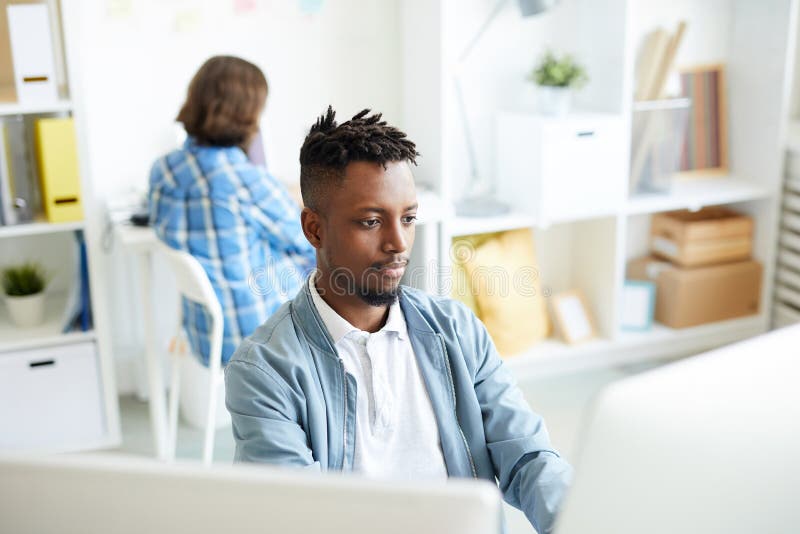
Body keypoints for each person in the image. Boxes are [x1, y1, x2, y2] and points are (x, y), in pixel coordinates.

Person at [224, 107, 572, 533]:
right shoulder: (265, 371)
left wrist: (579, 519)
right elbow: (299, 518)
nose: (398, 243)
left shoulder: (456, 330)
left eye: (408, 218)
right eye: (371, 222)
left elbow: (528, 457)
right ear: (314, 229)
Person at [149, 56, 315, 365]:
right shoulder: (244, 180)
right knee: (335, 259)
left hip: (206, 335)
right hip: (260, 337)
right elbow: (308, 238)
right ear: (247, 115)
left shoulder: (163, 170)